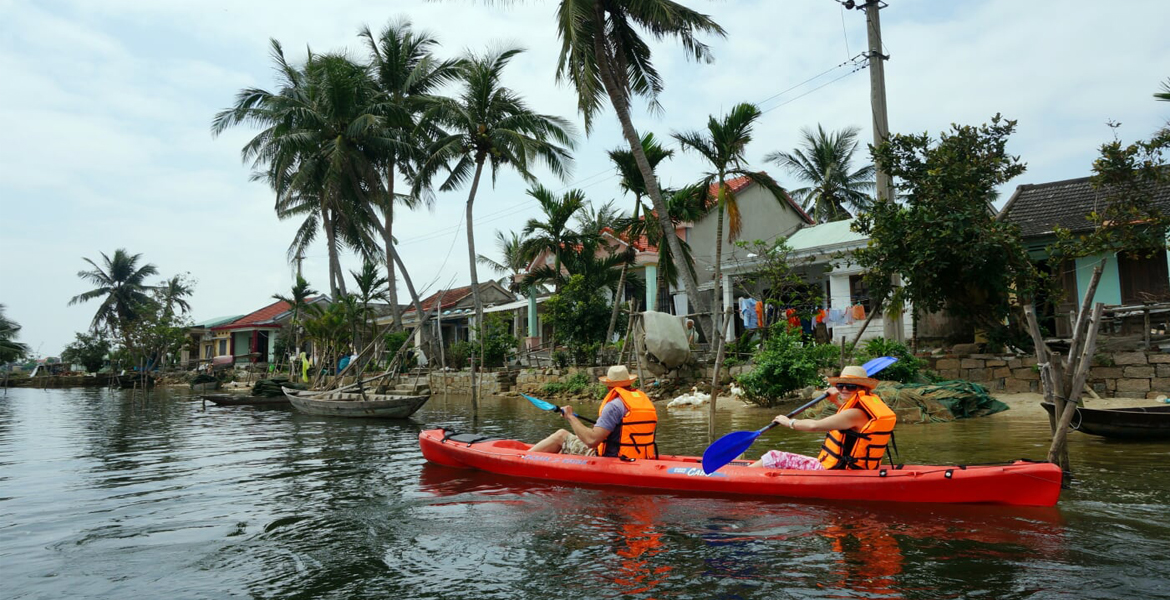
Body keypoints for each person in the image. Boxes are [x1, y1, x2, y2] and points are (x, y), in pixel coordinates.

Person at [749, 365, 896, 471]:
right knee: (777, 459)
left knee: (774, 457)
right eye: (840, 385)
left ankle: (741, 475)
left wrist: (789, 422)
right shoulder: (862, 411)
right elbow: (849, 423)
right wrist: (835, 401)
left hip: (837, 471)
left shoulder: (853, 414)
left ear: (863, 389)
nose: (844, 389)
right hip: (849, 467)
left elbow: (815, 426)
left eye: (850, 386)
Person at [530, 365, 659, 459]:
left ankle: (524, 457)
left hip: (615, 458)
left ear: (609, 386)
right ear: (629, 383)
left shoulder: (613, 406)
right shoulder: (644, 402)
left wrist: (569, 416)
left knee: (561, 435)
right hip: (640, 456)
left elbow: (591, 441)